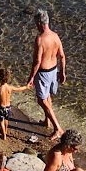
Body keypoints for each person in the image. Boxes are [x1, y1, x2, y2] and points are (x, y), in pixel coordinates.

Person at [29, 10, 67, 141]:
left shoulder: (40, 39)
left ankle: (58, 129)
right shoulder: (55, 36)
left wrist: (31, 77)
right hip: (53, 70)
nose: (35, 25)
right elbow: (62, 56)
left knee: (42, 100)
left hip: (43, 72)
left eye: (36, 23)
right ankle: (47, 121)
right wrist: (62, 72)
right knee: (48, 95)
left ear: (40, 23)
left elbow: (37, 61)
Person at [0, 67, 22, 141]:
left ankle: (4, 136)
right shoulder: (10, 87)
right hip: (8, 108)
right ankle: (5, 131)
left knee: (1, 122)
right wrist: (27, 87)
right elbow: (18, 89)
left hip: (1, 108)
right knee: (6, 120)